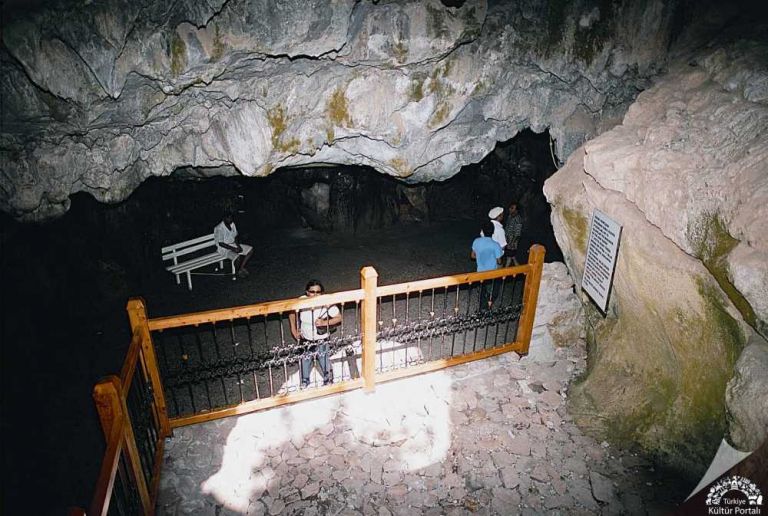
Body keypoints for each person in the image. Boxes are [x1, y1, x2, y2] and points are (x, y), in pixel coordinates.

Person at [289, 280, 342, 388]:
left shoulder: (326, 302)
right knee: (305, 359)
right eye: (312, 291)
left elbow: (339, 318)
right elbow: (291, 313)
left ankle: (328, 379)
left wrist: (324, 322)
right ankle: (305, 380)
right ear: (307, 292)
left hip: (321, 337)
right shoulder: (302, 301)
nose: (315, 294)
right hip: (305, 337)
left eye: (318, 292)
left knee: (324, 358)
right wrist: (294, 330)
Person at [471, 220, 503, 310]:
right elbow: (499, 261)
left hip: (480, 271)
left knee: (482, 290)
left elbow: (473, 256)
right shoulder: (495, 245)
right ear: (493, 232)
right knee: (494, 291)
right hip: (492, 273)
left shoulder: (476, 241)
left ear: (482, 230)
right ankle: (487, 307)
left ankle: (482, 308)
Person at [213, 213, 253, 277]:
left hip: (233, 244)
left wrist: (238, 246)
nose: (230, 219)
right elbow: (221, 243)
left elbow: (235, 236)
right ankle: (238, 271)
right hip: (224, 249)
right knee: (237, 257)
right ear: (224, 219)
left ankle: (241, 268)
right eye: (228, 218)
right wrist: (234, 249)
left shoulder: (232, 224)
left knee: (250, 250)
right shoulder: (219, 228)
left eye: (231, 218)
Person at [503, 202, 523, 266]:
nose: (510, 209)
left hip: (512, 242)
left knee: (510, 258)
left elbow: (517, 233)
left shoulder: (518, 219)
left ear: (516, 210)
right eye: (510, 207)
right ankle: (521, 271)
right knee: (512, 257)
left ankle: (504, 274)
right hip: (508, 241)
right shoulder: (510, 216)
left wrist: (511, 243)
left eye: (512, 208)